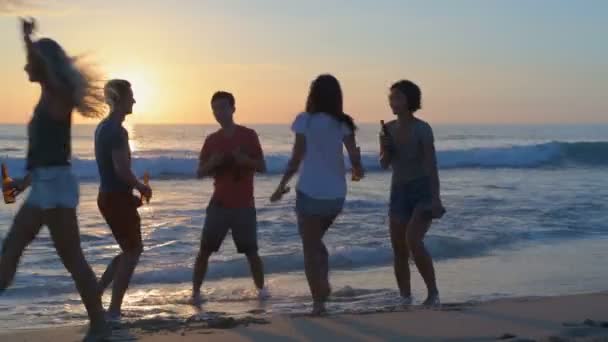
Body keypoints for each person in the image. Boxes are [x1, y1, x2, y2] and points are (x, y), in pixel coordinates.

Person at [0, 18, 108, 341]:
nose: (24, 68)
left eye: (29, 63)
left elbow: (56, 162)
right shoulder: (48, 98)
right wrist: (25, 181)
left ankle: (101, 325)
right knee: (13, 249)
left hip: (56, 189)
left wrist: (28, 41)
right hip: (48, 185)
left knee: (71, 259)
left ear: (44, 66)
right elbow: (50, 155)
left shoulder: (59, 97)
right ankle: (100, 324)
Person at [270, 74, 363, 315]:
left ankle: (319, 301)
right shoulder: (343, 123)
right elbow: (355, 159)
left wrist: (281, 185)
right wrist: (356, 171)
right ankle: (323, 284)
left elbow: (296, 156)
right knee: (315, 242)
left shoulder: (305, 121)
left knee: (310, 248)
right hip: (336, 196)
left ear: (312, 94)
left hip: (310, 191)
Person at [191, 91, 268, 306]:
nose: (219, 112)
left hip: (244, 205)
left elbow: (262, 166)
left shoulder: (248, 135)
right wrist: (213, 162)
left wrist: (244, 160)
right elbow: (199, 173)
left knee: (251, 252)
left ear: (233, 108)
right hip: (219, 205)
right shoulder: (211, 140)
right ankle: (195, 294)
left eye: (223, 107)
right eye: (215, 108)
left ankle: (262, 293)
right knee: (204, 251)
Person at [379, 80, 445, 306]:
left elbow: (430, 164)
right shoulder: (387, 128)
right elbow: (384, 164)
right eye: (391, 97)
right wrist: (387, 148)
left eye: (397, 97)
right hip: (398, 190)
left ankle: (433, 293)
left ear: (409, 100)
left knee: (413, 240)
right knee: (398, 247)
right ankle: (405, 297)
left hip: (422, 189)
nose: (392, 101)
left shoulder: (422, 129)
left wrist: (436, 198)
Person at [95, 79, 152, 321]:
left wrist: (135, 187)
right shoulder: (117, 131)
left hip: (108, 197)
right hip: (116, 199)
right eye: (131, 96)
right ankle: (114, 310)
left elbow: (116, 170)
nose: (134, 101)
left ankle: (95, 294)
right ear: (118, 99)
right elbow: (121, 170)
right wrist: (141, 186)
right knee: (133, 252)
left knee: (129, 250)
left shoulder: (102, 127)